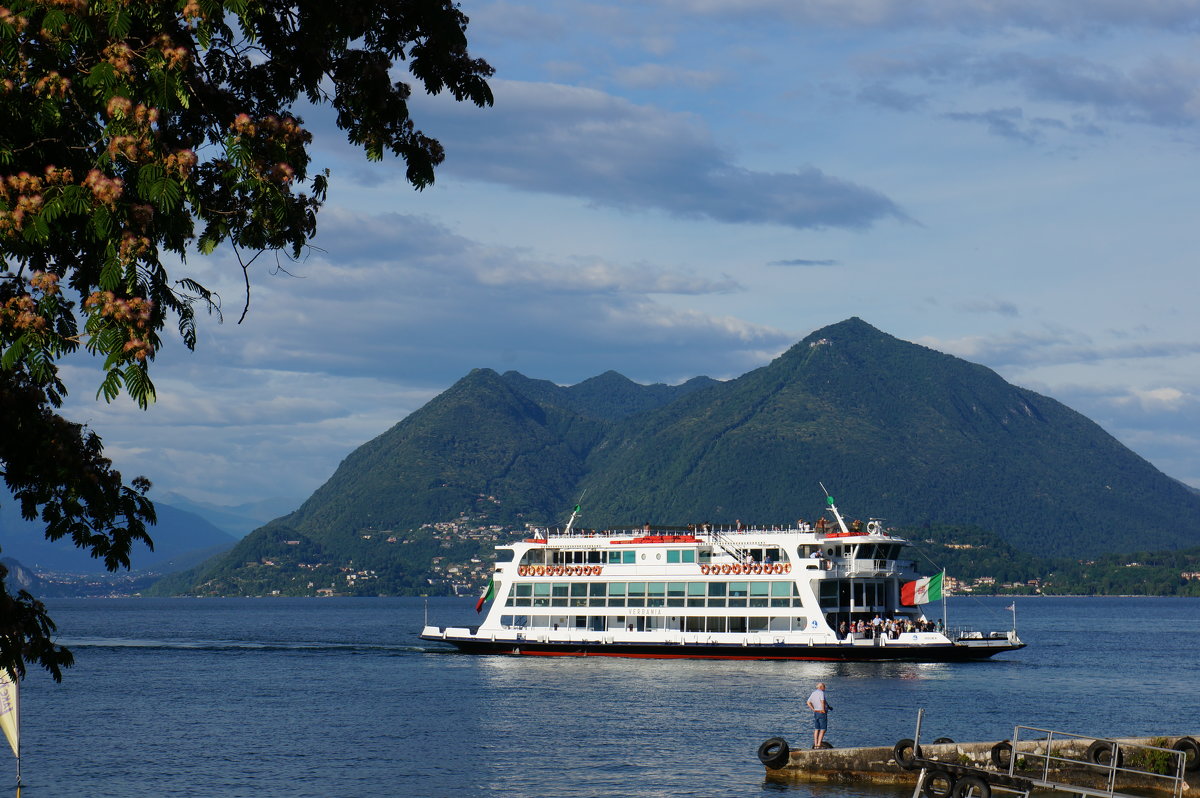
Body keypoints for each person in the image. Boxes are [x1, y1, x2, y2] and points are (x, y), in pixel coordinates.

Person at [806, 682, 831, 748]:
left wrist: (813, 709)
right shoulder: (821, 693)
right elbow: (822, 701)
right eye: (824, 686)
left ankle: (816, 743)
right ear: (821, 687)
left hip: (816, 712)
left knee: (817, 728)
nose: (825, 688)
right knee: (823, 729)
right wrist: (823, 709)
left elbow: (808, 702)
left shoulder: (813, 693)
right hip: (822, 712)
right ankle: (819, 744)